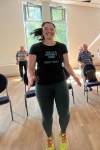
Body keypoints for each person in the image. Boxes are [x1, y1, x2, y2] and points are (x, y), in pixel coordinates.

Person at [28, 22, 81, 150]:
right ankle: (49, 137)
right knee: (47, 116)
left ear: (55, 31)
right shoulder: (35, 47)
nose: (49, 31)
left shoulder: (61, 47)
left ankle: (63, 133)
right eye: (46, 29)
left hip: (60, 84)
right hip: (42, 86)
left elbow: (67, 65)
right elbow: (30, 67)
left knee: (65, 114)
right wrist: (30, 77)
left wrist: (75, 77)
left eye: (52, 29)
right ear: (42, 31)